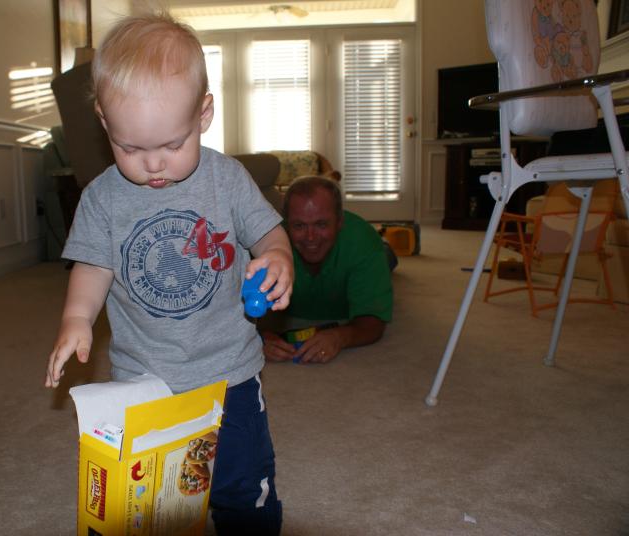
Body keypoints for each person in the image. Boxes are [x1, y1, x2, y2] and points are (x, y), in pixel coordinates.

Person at [44, 11, 292, 534]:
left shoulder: (227, 179)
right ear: (104, 122)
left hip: (229, 375)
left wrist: (277, 257)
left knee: (241, 486)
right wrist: (76, 317)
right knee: (153, 500)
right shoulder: (102, 198)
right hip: (143, 379)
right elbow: (92, 265)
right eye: (131, 148)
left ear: (204, 115)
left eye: (172, 145)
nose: (153, 164)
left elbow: (268, 232)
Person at [261, 175, 393, 364]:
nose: (310, 237)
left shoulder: (364, 242)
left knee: (387, 258)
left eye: (321, 224)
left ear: (339, 222)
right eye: (299, 225)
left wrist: (340, 336)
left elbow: (374, 321)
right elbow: (251, 312)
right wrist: (260, 338)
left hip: (372, 251)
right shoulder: (268, 242)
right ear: (286, 224)